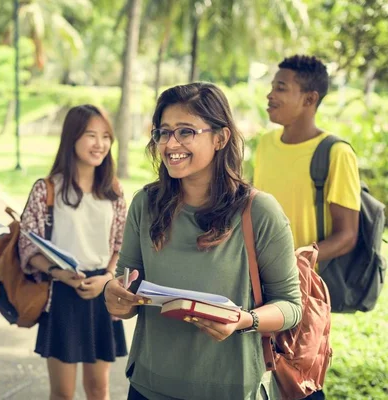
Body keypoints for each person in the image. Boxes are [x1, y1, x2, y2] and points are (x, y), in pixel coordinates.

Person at [104, 83, 303, 400]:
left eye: (185, 132)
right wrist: (115, 296)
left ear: (220, 138)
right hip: (148, 386)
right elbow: (125, 287)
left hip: (230, 389)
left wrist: (244, 321)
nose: (171, 143)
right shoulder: (145, 203)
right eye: (163, 132)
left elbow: (292, 307)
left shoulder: (259, 211)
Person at [254, 55, 361, 399]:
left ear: (310, 99)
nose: (270, 95)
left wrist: (304, 255)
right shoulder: (265, 145)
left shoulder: (336, 152)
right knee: (258, 372)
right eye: (272, 86)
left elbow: (347, 234)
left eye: (280, 88)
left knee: (298, 379)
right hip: (256, 279)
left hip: (303, 287)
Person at [18, 104, 128, 400]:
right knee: (63, 393)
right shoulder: (47, 189)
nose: (100, 144)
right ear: (72, 138)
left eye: (106, 136)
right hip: (63, 292)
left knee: (98, 389)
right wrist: (59, 274)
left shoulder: (113, 191)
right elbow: (27, 244)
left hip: (102, 292)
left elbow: (121, 244)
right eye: (91, 135)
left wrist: (107, 278)